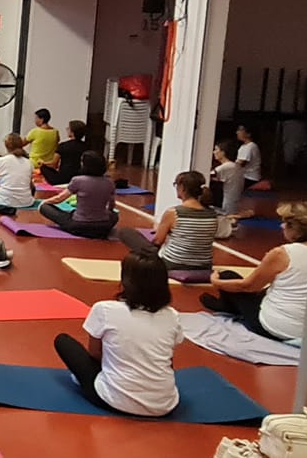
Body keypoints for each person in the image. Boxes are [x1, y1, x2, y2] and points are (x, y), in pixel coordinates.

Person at [53, 252, 181, 417]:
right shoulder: (172, 316)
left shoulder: (104, 309)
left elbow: (95, 353)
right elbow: (169, 358)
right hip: (164, 405)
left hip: (113, 400)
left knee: (63, 341)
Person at [202, 201, 307, 346]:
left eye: (285, 223)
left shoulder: (282, 253)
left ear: (295, 229)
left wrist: (216, 282)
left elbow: (248, 286)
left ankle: (227, 306)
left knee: (227, 276)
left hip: (278, 328)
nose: (282, 226)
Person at [117, 170, 216, 274]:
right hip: (205, 265)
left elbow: (157, 242)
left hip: (173, 263)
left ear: (182, 188)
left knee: (125, 232)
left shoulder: (173, 212)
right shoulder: (213, 214)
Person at [36, 151, 118, 239]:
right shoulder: (110, 182)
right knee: (114, 215)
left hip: (78, 225)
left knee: (45, 207)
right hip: (103, 227)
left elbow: (59, 199)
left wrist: (44, 202)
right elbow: (111, 205)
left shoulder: (78, 180)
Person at [0, 132, 38, 214]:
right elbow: (31, 186)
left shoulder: (1, 160)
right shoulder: (29, 162)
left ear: (6, 146)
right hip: (26, 202)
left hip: (4, 200)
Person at [40, 120, 90, 185]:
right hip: (79, 177)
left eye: (68, 128)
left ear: (72, 132)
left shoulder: (63, 145)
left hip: (63, 178)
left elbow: (53, 164)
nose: (67, 129)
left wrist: (43, 162)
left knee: (43, 167)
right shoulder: (86, 146)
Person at [211, 140, 247, 221]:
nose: (214, 152)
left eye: (216, 149)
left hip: (227, 206)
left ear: (223, 152)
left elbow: (205, 177)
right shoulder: (236, 166)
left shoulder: (225, 167)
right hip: (235, 204)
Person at [25, 109, 60, 175]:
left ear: (41, 119)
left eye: (36, 118)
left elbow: (22, 143)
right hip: (49, 165)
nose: (35, 120)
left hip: (35, 164)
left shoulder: (35, 131)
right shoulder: (55, 132)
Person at [236, 124, 267, 190]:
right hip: (245, 177)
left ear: (248, 134)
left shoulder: (250, 146)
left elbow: (241, 164)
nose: (237, 132)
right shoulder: (243, 146)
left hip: (250, 178)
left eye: (240, 130)